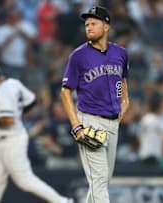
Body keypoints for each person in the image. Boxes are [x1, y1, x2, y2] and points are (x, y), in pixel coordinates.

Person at [0, 60, 73, 203]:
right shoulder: (14, 84)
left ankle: (63, 202)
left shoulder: (1, 91)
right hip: (4, 140)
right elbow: (32, 101)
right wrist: (17, 112)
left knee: (24, 180)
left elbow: (9, 120)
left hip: (11, 139)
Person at [60, 5, 130, 203]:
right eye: (87, 24)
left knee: (102, 181)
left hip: (112, 123)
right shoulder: (78, 56)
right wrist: (76, 125)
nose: (88, 27)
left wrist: (123, 104)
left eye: (93, 23)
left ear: (106, 27)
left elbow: (120, 82)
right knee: (99, 180)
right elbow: (65, 92)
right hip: (89, 120)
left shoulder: (121, 54)